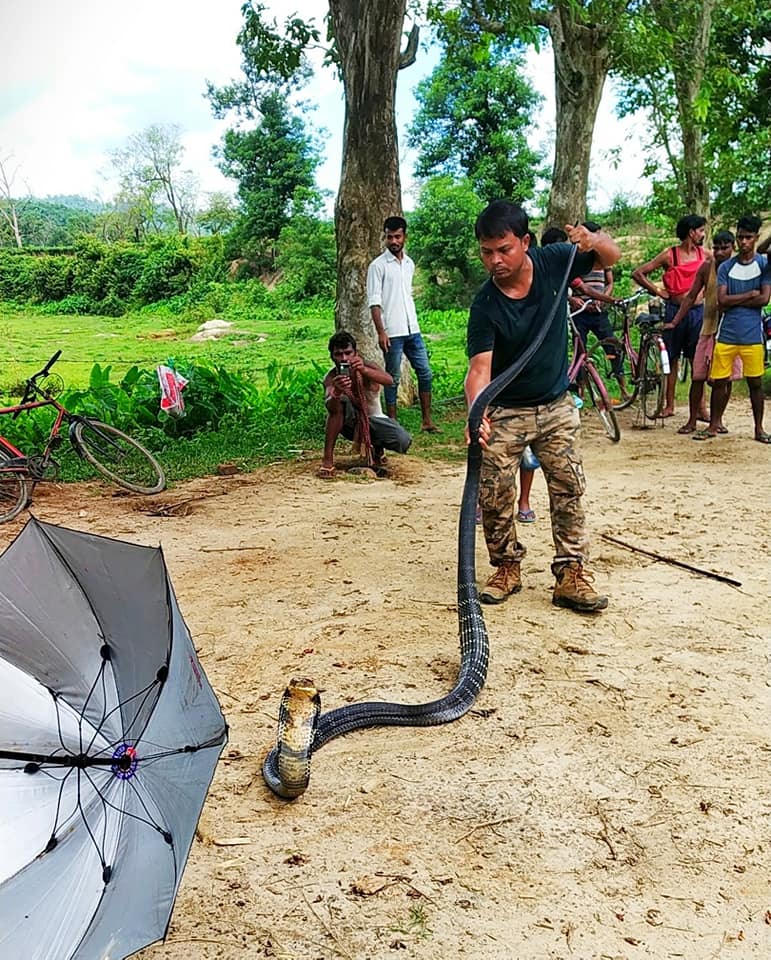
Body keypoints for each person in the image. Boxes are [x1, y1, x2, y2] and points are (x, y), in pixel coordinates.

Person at [466, 200, 621, 613]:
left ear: (525, 242)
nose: (495, 260)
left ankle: (571, 573)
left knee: (568, 486)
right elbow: (479, 369)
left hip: (555, 405)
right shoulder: (485, 305)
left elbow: (611, 256)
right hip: (507, 410)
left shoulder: (555, 260)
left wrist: (595, 239)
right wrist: (475, 411)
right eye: (486, 252)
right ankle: (506, 566)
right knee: (495, 491)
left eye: (504, 249)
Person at [694, 215, 771, 443]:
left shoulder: (763, 265)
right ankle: (714, 425)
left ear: (756, 238)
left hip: (752, 335)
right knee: (719, 382)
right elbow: (721, 301)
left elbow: (764, 299)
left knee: (755, 383)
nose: (743, 242)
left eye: (748, 237)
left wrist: (736, 299)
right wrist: (749, 295)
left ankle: (758, 428)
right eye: (740, 237)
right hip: (727, 333)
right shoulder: (726, 266)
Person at [631, 214, 708, 417]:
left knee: (696, 359)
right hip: (674, 310)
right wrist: (658, 291)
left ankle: (701, 407)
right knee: (671, 358)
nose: (703, 234)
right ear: (691, 232)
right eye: (700, 230)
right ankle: (669, 405)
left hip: (698, 312)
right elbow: (639, 273)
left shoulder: (704, 255)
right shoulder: (670, 255)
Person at [367, 216, 439, 432]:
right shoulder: (377, 266)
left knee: (425, 372)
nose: (393, 241)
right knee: (392, 377)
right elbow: (374, 302)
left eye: (397, 236)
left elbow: (406, 295)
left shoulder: (409, 264)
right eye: (389, 237)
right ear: (385, 238)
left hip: (412, 328)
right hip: (392, 331)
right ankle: (393, 422)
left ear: (405, 237)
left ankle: (427, 421)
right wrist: (381, 332)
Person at [669, 231, 738, 434]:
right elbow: (691, 297)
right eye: (715, 247)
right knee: (698, 377)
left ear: (732, 248)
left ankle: (717, 421)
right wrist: (675, 321)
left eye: (724, 247)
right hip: (707, 328)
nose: (719, 252)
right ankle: (692, 420)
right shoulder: (707, 267)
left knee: (725, 379)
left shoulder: (738, 268)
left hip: (730, 331)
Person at [319, 331, 412, 477]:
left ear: (355, 353)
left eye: (348, 353)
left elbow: (388, 380)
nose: (344, 358)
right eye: (339, 354)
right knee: (340, 403)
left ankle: (377, 450)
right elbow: (331, 407)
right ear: (332, 356)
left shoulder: (367, 366)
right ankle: (327, 459)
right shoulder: (331, 377)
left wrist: (363, 370)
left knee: (403, 440)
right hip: (349, 424)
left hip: (373, 419)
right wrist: (337, 392)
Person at [568, 220, 630, 401]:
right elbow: (576, 285)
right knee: (580, 350)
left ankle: (623, 388)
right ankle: (580, 392)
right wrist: (574, 299)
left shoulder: (603, 258)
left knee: (611, 347)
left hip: (598, 311)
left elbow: (609, 282)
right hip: (580, 312)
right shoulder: (576, 256)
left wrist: (603, 299)